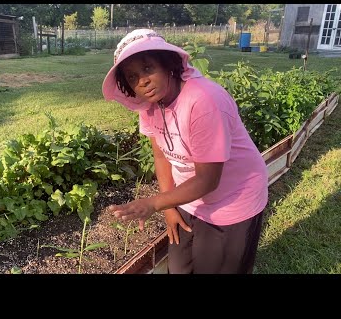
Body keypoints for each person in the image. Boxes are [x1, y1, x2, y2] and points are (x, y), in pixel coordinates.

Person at [102, 29, 268, 274]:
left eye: (148, 69)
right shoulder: (150, 107)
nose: (142, 81)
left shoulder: (203, 101)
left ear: (168, 64)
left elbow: (208, 180)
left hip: (232, 199)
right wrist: (169, 208)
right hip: (187, 198)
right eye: (132, 77)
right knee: (180, 267)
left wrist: (154, 204)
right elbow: (161, 156)